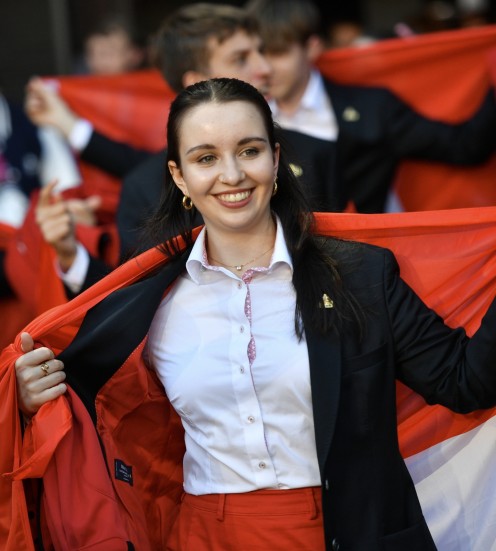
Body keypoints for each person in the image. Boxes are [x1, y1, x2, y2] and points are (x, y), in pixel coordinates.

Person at [12, 78, 496, 550]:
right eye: (206, 158)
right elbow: (94, 412)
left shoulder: (361, 275)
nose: (233, 175)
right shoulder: (150, 300)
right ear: (179, 176)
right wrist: (37, 400)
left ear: (276, 157)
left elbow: (464, 382)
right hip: (205, 534)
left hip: (351, 529)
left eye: (249, 150)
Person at [245, 0, 496, 213]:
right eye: (255, 55)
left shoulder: (372, 107)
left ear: (312, 48)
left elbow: (464, 146)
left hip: (366, 259)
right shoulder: (247, 117)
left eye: (277, 53)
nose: (263, 68)